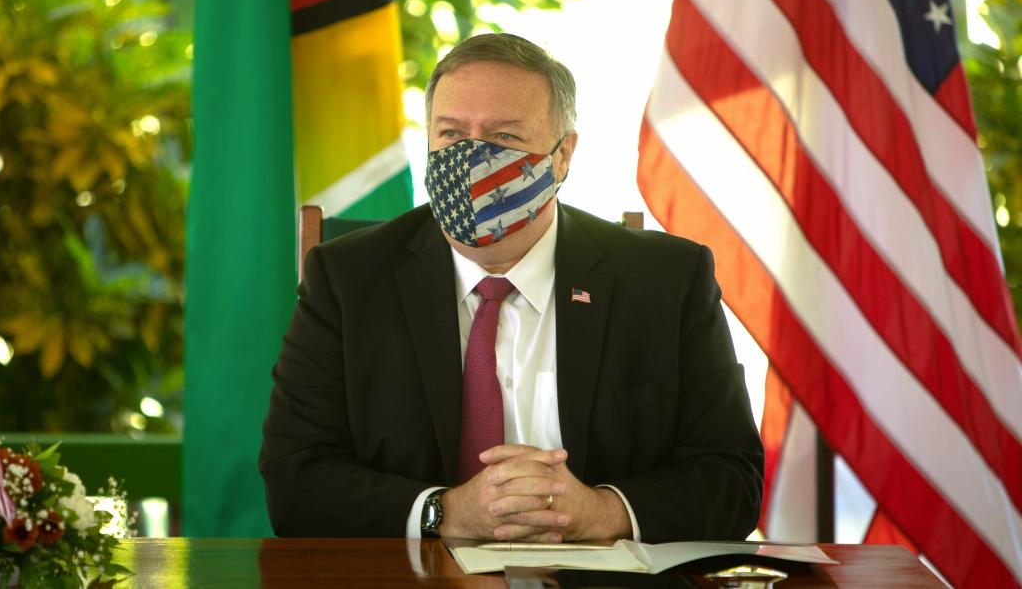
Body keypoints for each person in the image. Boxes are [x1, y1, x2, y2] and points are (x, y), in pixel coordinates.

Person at [260, 33, 763, 543]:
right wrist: (444, 513)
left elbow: (732, 479)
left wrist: (599, 513)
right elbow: (295, 479)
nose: (472, 159)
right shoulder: (347, 279)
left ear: (562, 156)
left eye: (503, 137)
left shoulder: (666, 280)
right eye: (452, 134)